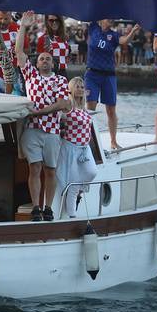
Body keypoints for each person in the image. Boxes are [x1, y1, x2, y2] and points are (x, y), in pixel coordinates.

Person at [16, 11, 70, 221]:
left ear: (53, 63)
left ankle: (48, 207)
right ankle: (36, 208)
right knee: (34, 168)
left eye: (48, 58)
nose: (45, 60)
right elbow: (19, 51)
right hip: (32, 130)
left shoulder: (60, 81)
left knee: (50, 170)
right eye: (42, 58)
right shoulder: (30, 76)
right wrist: (23, 26)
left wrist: (40, 111)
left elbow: (63, 103)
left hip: (52, 131)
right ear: (36, 63)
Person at [84, 19, 140, 149]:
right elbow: (90, 12)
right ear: (101, 19)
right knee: (90, 107)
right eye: (108, 17)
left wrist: (133, 31)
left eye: (112, 18)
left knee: (111, 109)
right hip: (92, 74)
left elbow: (125, 41)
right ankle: (88, 139)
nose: (111, 19)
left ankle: (113, 141)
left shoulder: (114, 35)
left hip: (109, 75)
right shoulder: (93, 27)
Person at [56, 77, 98, 218]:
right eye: (77, 86)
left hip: (84, 149)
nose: (80, 89)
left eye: (82, 86)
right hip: (71, 148)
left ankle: (78, 192)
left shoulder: (84, 108)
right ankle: (71, 216)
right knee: (73, 184)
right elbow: (58, 117)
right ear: (72, 89)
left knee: (92, 172)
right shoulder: (69, 106)